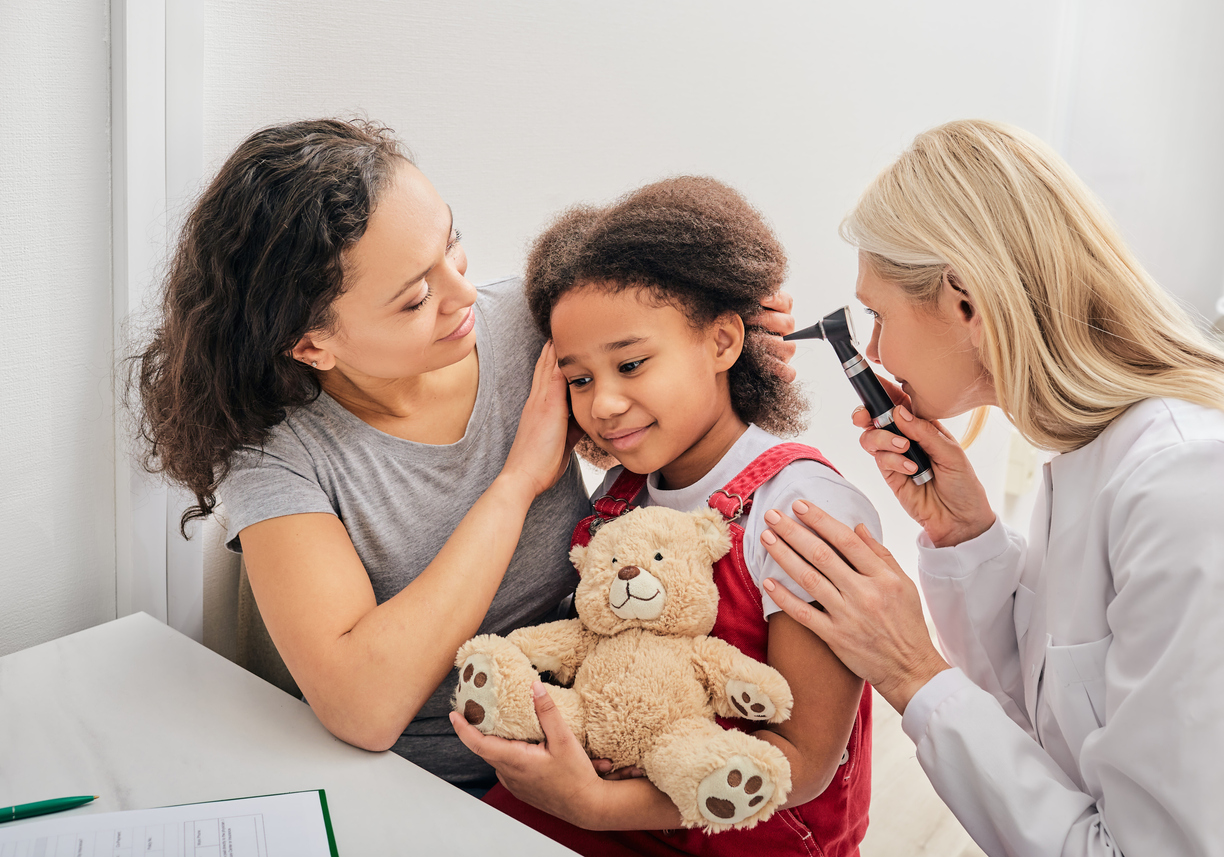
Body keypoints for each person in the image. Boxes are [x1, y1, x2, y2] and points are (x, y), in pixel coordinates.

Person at [132, 118, 797, 789]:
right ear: (312, 345)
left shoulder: (522, 330)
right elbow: (364, 707)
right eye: (416, 298)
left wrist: (730, 349)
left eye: (453, 246)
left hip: (602, 730)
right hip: (427, 786)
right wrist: (514, 485)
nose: (463, 295)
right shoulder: (278, 461)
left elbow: (666, 380)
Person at [757, 119, 1224, 857]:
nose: (872, 351)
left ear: (966, 303)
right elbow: (1049, 722)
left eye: (878, 316)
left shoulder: (1184, 486)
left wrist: (912, 670)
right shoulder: (1085, 456)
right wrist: (965, 537)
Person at [451, 176, 881, 857]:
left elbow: (804, 760)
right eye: (581, 378)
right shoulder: (619, 500)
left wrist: (597, 806)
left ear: (722, 342)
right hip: (613, 807)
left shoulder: (801, 510)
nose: (605, 404)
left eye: (631, 363)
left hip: (749, 833)